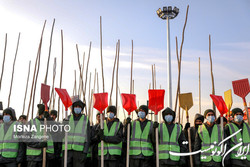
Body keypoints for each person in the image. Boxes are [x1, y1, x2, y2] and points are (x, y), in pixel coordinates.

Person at [62, 98, 90, 167]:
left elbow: (88, 137)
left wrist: (85, 151)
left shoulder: (86, 120)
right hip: (67, 150)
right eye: (76, 107)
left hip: (79, 151)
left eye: (79, 107)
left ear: (81, 109)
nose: (77, 108)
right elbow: (61, 134)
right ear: (73, 108)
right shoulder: (67, 119)